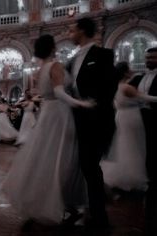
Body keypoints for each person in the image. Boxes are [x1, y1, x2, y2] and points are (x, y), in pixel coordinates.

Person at [1, 34, 95, 225]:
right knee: (62, 157)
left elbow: (45, 93)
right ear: (53, 48)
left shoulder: (40, 69)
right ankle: (63, 202)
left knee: (44, 156)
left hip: (47, 113)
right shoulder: (55, 66)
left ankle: (43, 199)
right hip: (60, 113)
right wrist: (81, 104)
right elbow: (60, 92)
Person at [67, 17, 118, 231]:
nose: (70, 33)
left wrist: (93, 105)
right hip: (75, 121)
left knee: (90, 167)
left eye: (72, 29)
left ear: (82, 31)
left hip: (96, 122)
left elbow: (109, 86)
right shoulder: (71, 61)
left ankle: (100, 217)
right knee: (83, 168)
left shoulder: (103, 55)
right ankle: (87, 208)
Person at [101, 61, 152, 192]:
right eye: (129, 68)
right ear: (125, 72)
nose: (132, 70)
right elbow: (145, 98)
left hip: (121, 116)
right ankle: (134, 176)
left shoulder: (115, 87)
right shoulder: (127, 87)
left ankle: (126, 172)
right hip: (132, 117)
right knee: (135, 145)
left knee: (125, 145)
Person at [128, 47, 157, 236]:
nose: (149, 59)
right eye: (147, 57)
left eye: (153, 57)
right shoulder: (140, 77)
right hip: (142, 121)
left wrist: (140, 97)